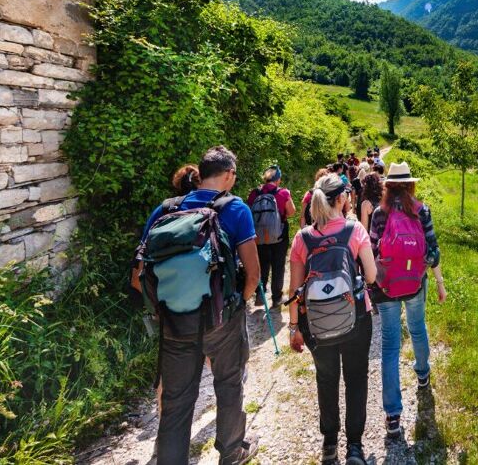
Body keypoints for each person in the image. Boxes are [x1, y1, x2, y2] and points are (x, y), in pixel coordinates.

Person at [134, 146, 260, 465]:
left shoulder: (164, 210)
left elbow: (138, 276)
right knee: (229, 385)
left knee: (176, 401)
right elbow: (254, 273)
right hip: (222, 320)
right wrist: (237, 305)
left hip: (174, 321)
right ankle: (232, 452)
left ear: (200, 175)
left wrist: (166, 308)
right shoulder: (235, 209)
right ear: (229, 175)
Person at [289, 174, 377, 465]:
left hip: (315, 324)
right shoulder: (355, 231)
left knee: (326, 379)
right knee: (356, 378)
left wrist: (293, 328)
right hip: (355, 319)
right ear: (341, 199)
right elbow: (372, 275)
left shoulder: (302, 238)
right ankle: (354, 447)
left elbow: (295, 290)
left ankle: (329, 445)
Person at [369, 162, 446, 441]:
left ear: (388, 186)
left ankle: (392, 415)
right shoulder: (421, 210)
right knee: (417, 328)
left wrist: (370, 285)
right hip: (415, 283)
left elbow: (372, 249)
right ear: (411, 184)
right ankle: (422, 374)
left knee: (390, 345)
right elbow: (433, 251)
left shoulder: (379, 213)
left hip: (387, 287)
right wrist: (438, 281)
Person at [246, 165, 296, 307]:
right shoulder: (283, 193)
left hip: (259, 236)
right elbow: (291, 212)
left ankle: (260, 295)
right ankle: (276, 298)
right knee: (278, 266)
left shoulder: (254, 193)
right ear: (278, 179)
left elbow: (249, 213)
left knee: (262, 265)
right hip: (279, 235)